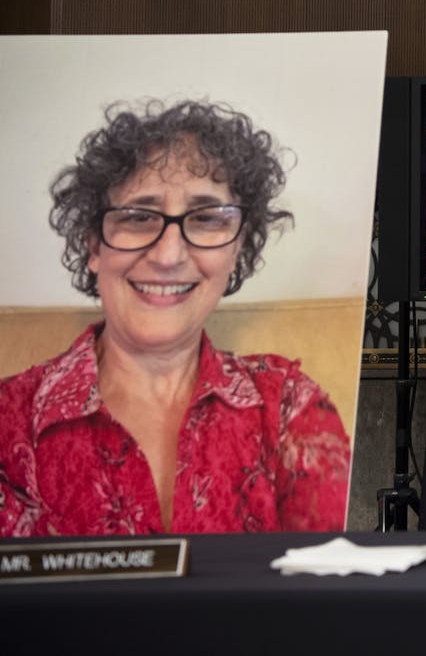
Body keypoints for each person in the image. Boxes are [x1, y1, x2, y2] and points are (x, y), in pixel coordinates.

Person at [0, 100, 351, 537]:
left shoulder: (290, 407)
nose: (168, 255)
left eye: (205, 219)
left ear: (238, 247)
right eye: (138, 217)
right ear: (94, 245)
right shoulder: (9, 420)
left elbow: (331, 592)